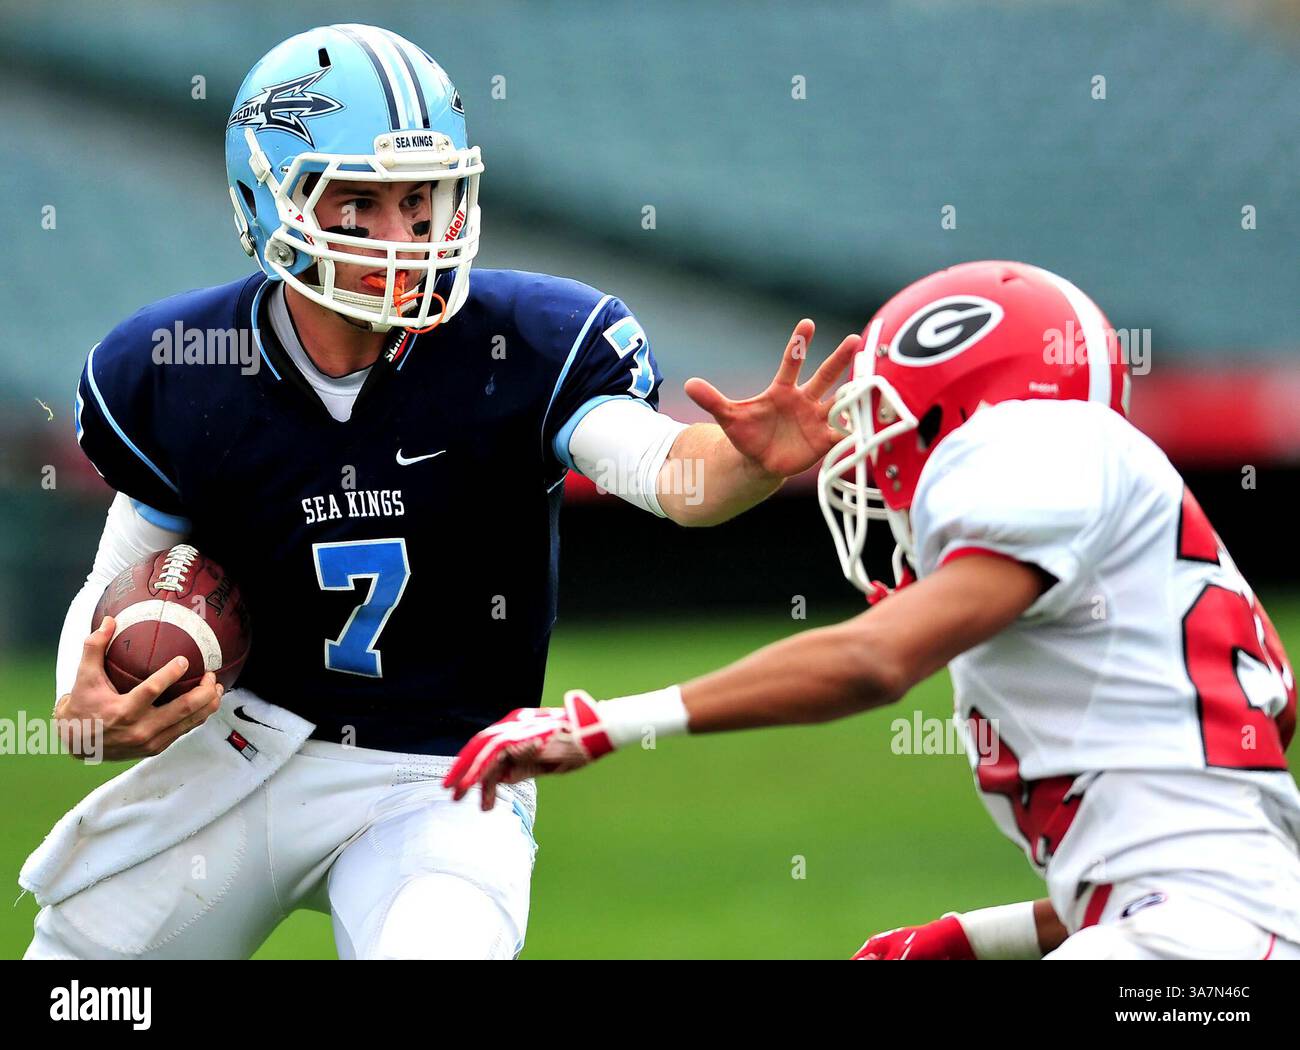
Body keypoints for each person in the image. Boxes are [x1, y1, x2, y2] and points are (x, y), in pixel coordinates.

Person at [21, 23, 858, 960]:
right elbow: (119, 583)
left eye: (422, 202)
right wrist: (83, 708)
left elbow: (669, 475)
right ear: (267, 201)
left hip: (446, 774)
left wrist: (747, 463)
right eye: (361, 206)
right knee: (83, 980)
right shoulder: (177, 367)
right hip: (247, 753)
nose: (403, 236)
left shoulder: (525, 339)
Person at [444, 260, 1300, 961]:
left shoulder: (1033, 445)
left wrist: (605, 726)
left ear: (973, 403)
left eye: (888, 415)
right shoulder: (1122, 532)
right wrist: (972, 937)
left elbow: (872, 663)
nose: (869, 453)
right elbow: (1174, 857)